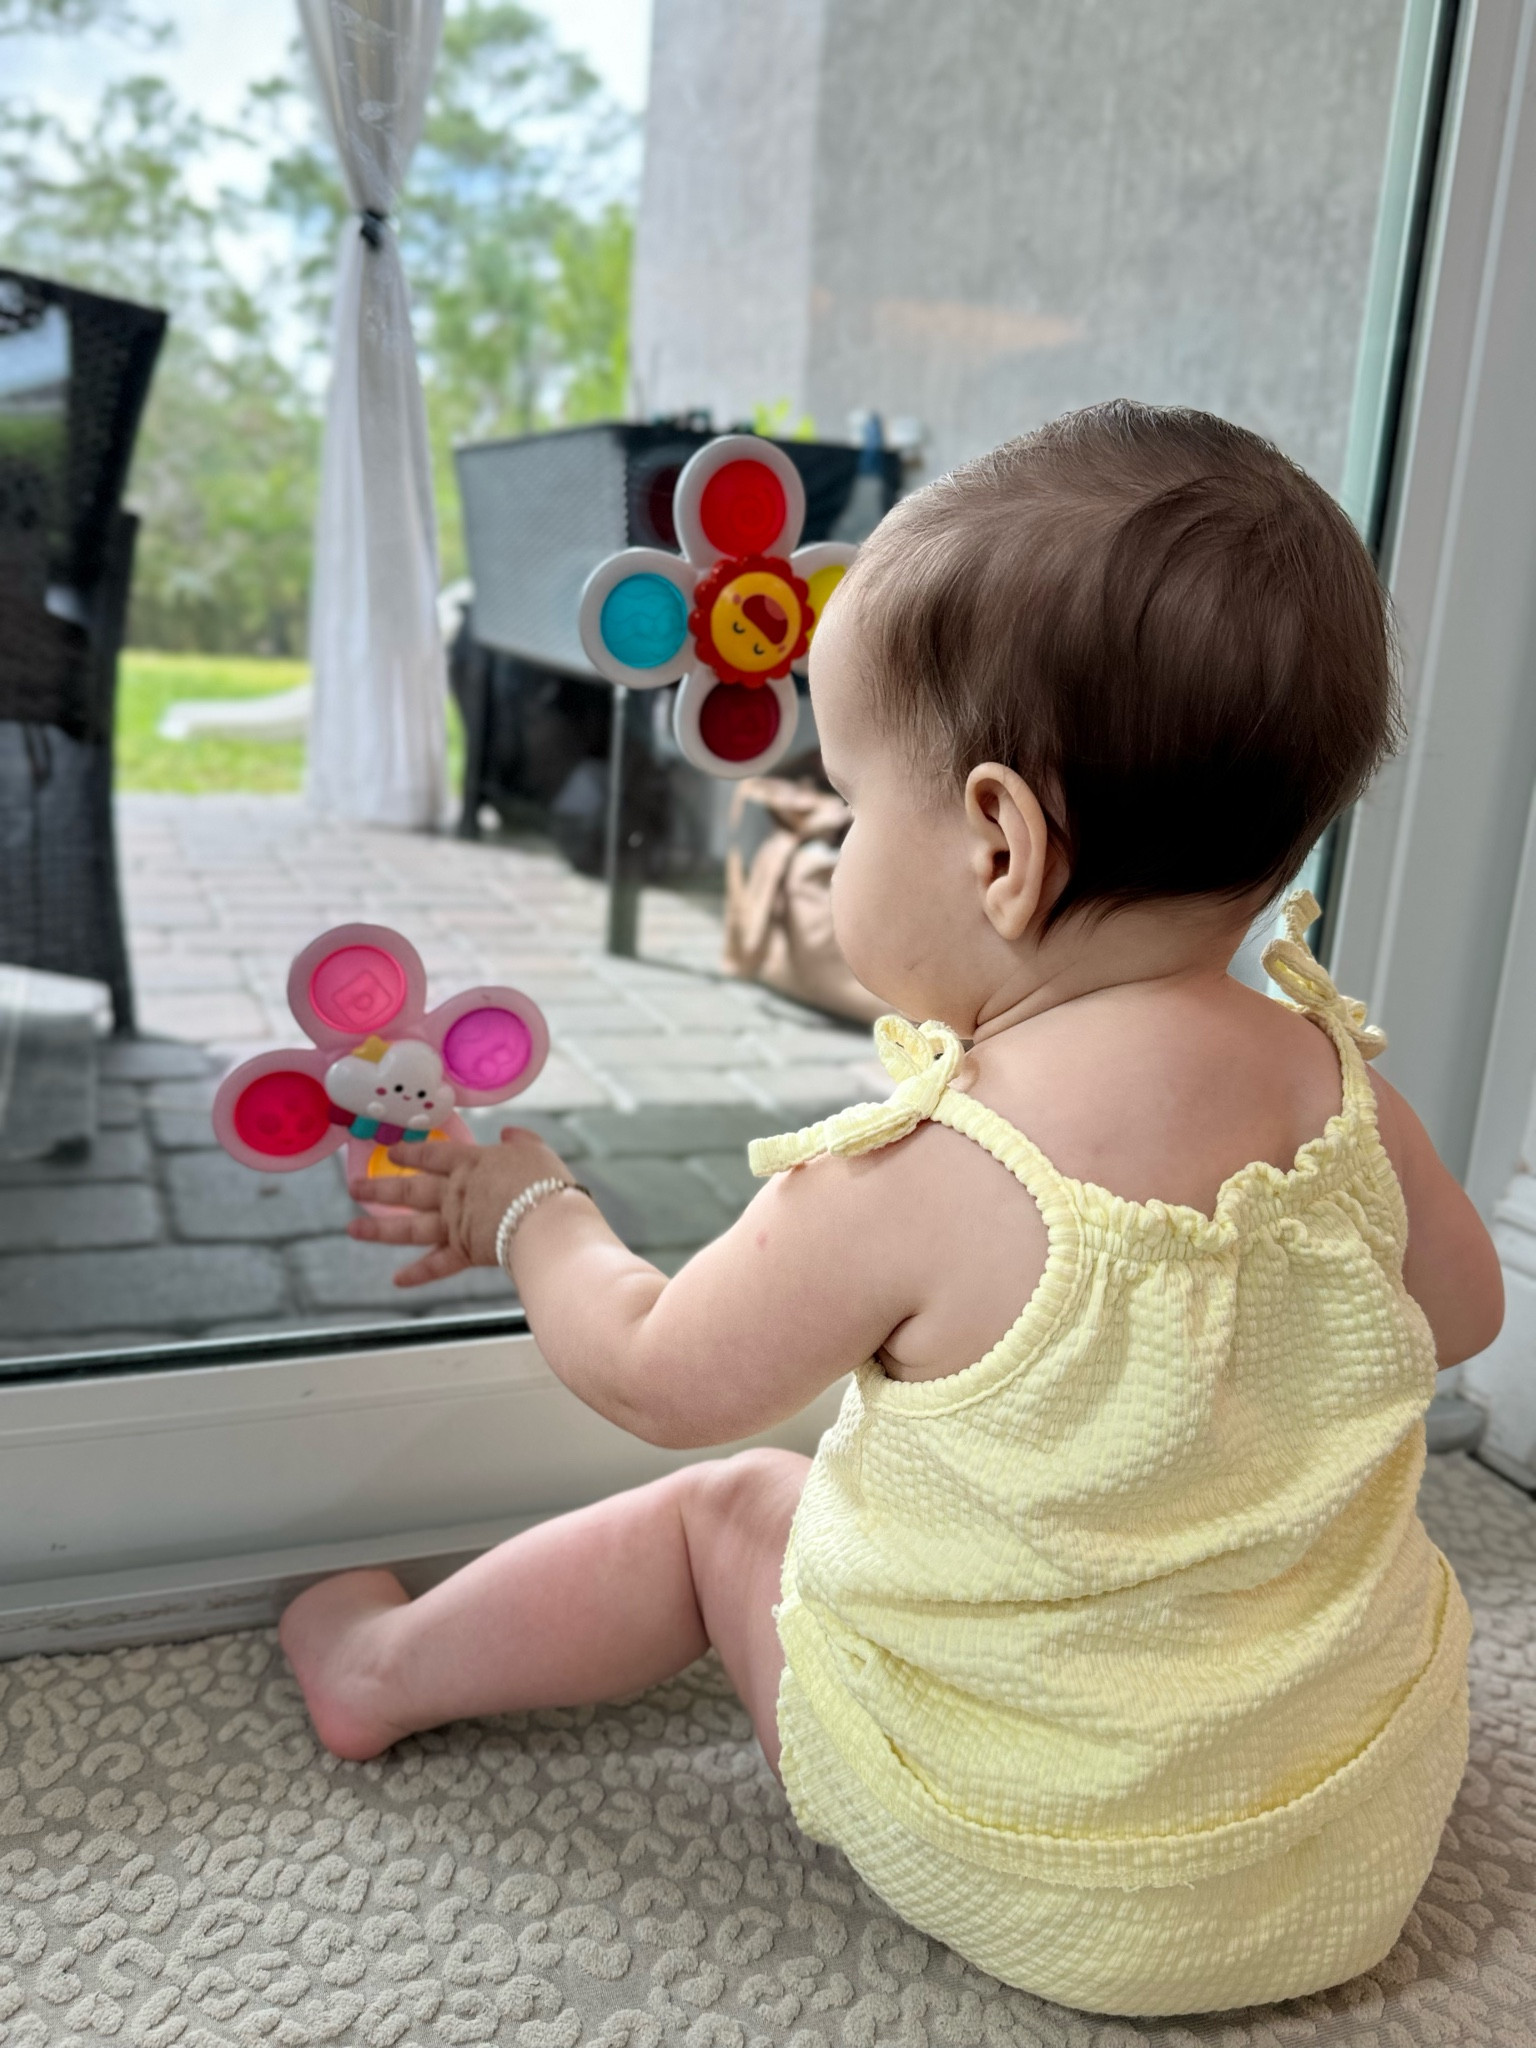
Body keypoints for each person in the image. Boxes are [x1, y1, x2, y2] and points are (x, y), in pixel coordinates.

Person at [279, 402, 1503, 2018]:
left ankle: (377, 1678)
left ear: (999, 843)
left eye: (850, 805)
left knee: (729, 1513)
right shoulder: (1339, 1094)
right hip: (1343, 1831)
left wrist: (532, 1209)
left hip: (1050, 1866)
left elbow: (657, 1373)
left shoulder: (937, 1161)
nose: (836, 839)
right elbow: (1466, 1313)